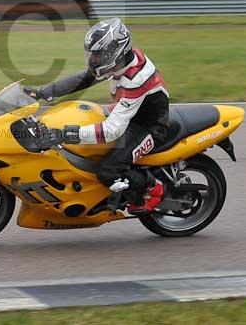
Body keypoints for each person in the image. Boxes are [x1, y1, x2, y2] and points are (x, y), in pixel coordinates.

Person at [25, 18, 170, 213]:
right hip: (126, 113)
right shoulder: (120, 61)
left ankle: (154, 188)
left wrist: (64, 135)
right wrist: (43, 92)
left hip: (148, 126)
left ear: (114, 52)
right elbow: (83, 79)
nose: (93, 59)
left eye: (98, 54)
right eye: (92, 53)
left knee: (107, 171)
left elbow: (111, 131)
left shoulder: (137, 79)